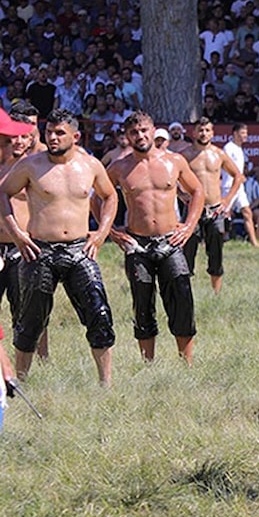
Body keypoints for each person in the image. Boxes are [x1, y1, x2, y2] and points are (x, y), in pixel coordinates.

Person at [0, 109, 117, 385]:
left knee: (99, 314)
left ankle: (106, 384)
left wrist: (101, 234)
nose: (52, 137)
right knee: (29, 320)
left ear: (75, 136)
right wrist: (17, 233)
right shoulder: (31, 165)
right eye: (50, 131)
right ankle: (22, 382)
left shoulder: (90, 165)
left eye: (59, 133)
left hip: (79, 250)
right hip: (40, 250)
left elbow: (110, 196)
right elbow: (3, 192)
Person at [106, 113, 204, 364]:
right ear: (127, 137)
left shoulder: (174, 161)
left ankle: (187, 363)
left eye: (144, 130)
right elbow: (99, 196)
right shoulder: (120, 167)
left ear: (153, 131)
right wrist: (111, 231)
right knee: (142, 302)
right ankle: (148, 363)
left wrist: (189, 226)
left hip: (170, 240)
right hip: (137, 243)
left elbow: (197, 191)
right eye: (134, 132)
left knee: (182, 298)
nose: (140, 136)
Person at [0, 107, 48, 360]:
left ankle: (39, 360)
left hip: (23, 248)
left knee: (29, 310)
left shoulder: (33, 167)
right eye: (11, 138)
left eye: (22, 137)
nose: (17, 142)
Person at [179, 118, 245, 293]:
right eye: (200, 130)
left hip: (215, 209)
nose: (204, 133)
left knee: (216, 252)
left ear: (212, 133)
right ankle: (186, 290)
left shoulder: (219, 154)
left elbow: (238, 176)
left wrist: (227, 200)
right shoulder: (185, 155)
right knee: (188, 249)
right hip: (193, 209)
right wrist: (180, 194)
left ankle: (216, 293)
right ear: (194, 133)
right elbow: (171, 178)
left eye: (207, 130)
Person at [222, 123, 259, 246]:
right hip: (229, 186)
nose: (246, 136)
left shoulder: (239, 149)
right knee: (223, 214)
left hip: (239, 187)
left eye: (246, 133)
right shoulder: (228, 148)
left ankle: (254, 242)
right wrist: (237, 175)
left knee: (247, 212)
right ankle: (221, 239)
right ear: (235, 133)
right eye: (243, 133)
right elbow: (225, 164)